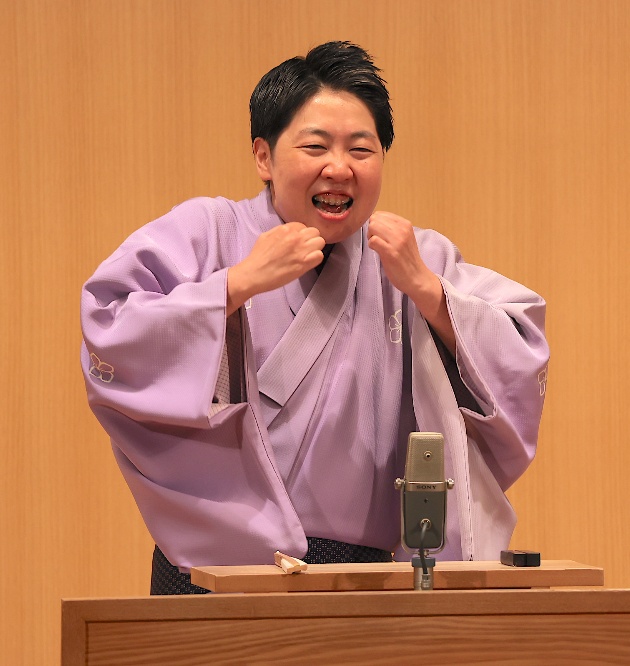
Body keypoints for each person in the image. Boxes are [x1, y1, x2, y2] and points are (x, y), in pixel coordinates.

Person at [81, 41, 549, 595]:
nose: (339, 168)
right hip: (210, 568)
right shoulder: (208, 232)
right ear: (263, 156)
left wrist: (426, 289)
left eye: (361, 149)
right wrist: (236, 284)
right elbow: (110, 324)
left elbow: (521, 344)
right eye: (316, 146)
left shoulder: (412, 256)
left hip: (364, 574)